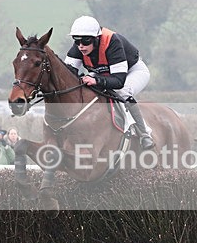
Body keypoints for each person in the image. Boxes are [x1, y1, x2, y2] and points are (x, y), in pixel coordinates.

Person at [63, 15, 155, 149]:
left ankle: (144, 134)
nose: (81, 46)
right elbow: (67, 74)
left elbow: (118, 81)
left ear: (97, 38)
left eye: (86, 41)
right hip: (105, 74)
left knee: (122, 92)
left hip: (132, 72)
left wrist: (96, 80)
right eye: (76, 41)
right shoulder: (79, 48)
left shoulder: (113, 42)